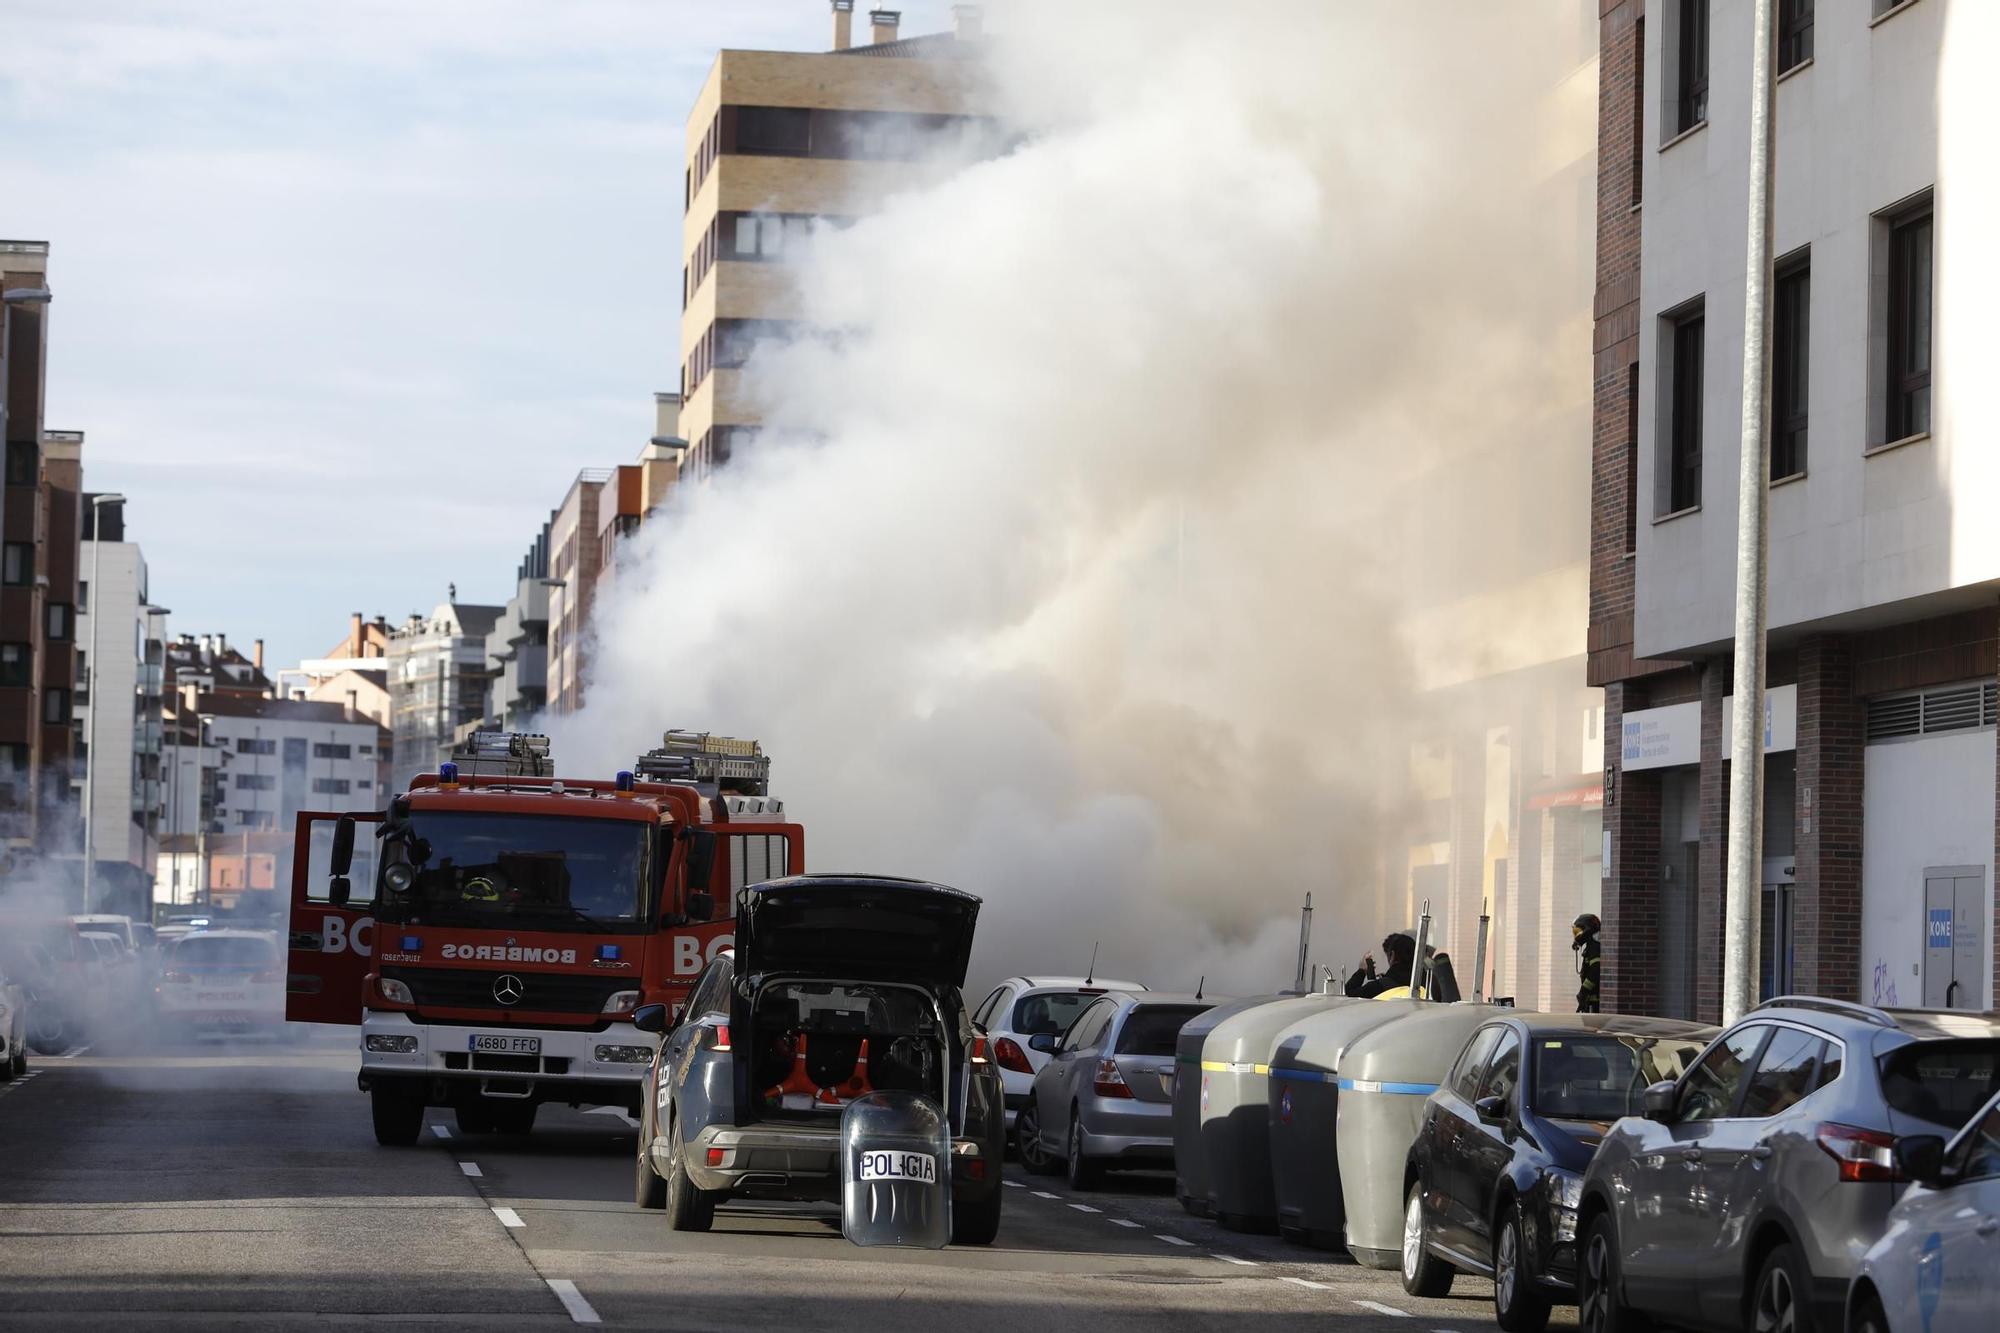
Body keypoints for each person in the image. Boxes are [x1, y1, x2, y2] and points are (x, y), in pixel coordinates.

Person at [1345, 932, 1416, 999]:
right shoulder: (1423, 984)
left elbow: (1347, 996)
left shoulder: (1381, 986)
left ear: (1392, 955)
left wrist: (1361, 971)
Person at [1573, 912, 1602, 1013]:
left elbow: (1595, 970)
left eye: (1578, 931)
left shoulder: (1594, 947)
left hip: (1595, 1003)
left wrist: (1583, 992)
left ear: (1587, 930)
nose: (1576, 935)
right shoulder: (1591, 945)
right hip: (1591, 1001)